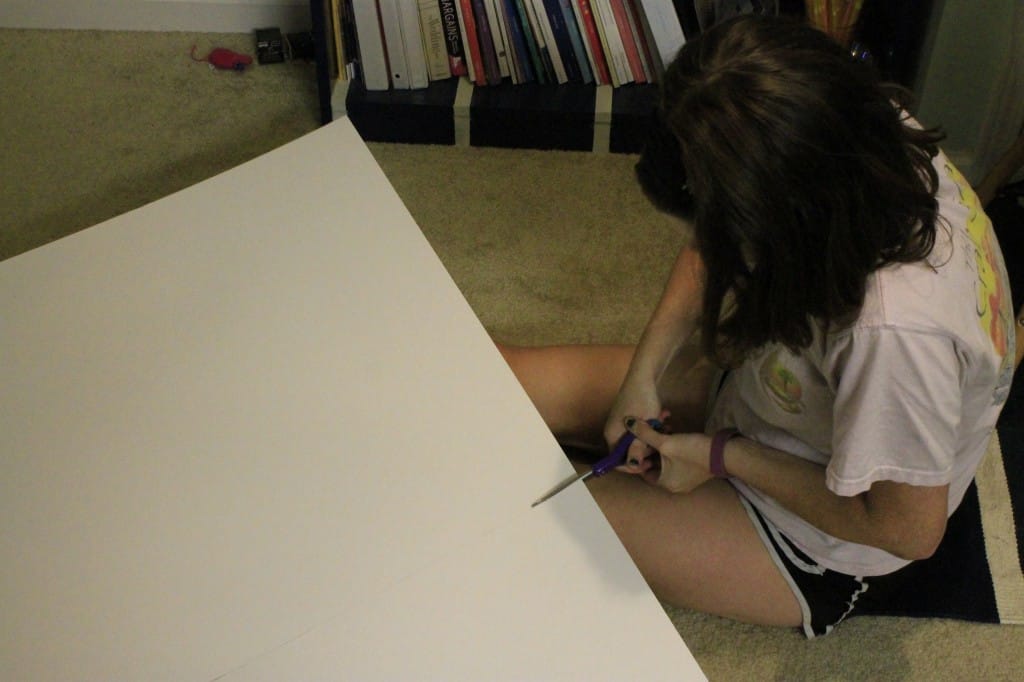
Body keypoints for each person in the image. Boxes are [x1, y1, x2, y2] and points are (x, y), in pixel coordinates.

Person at [499, 14, 1017, 638]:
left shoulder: (897, 337)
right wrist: (645, 374)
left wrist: (724, 458)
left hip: (822, 534)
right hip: (774, 392)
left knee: (515, 514)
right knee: (492, 383)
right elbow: (714, 238)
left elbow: (907, 529)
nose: (707, 250)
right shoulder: (848, 122)